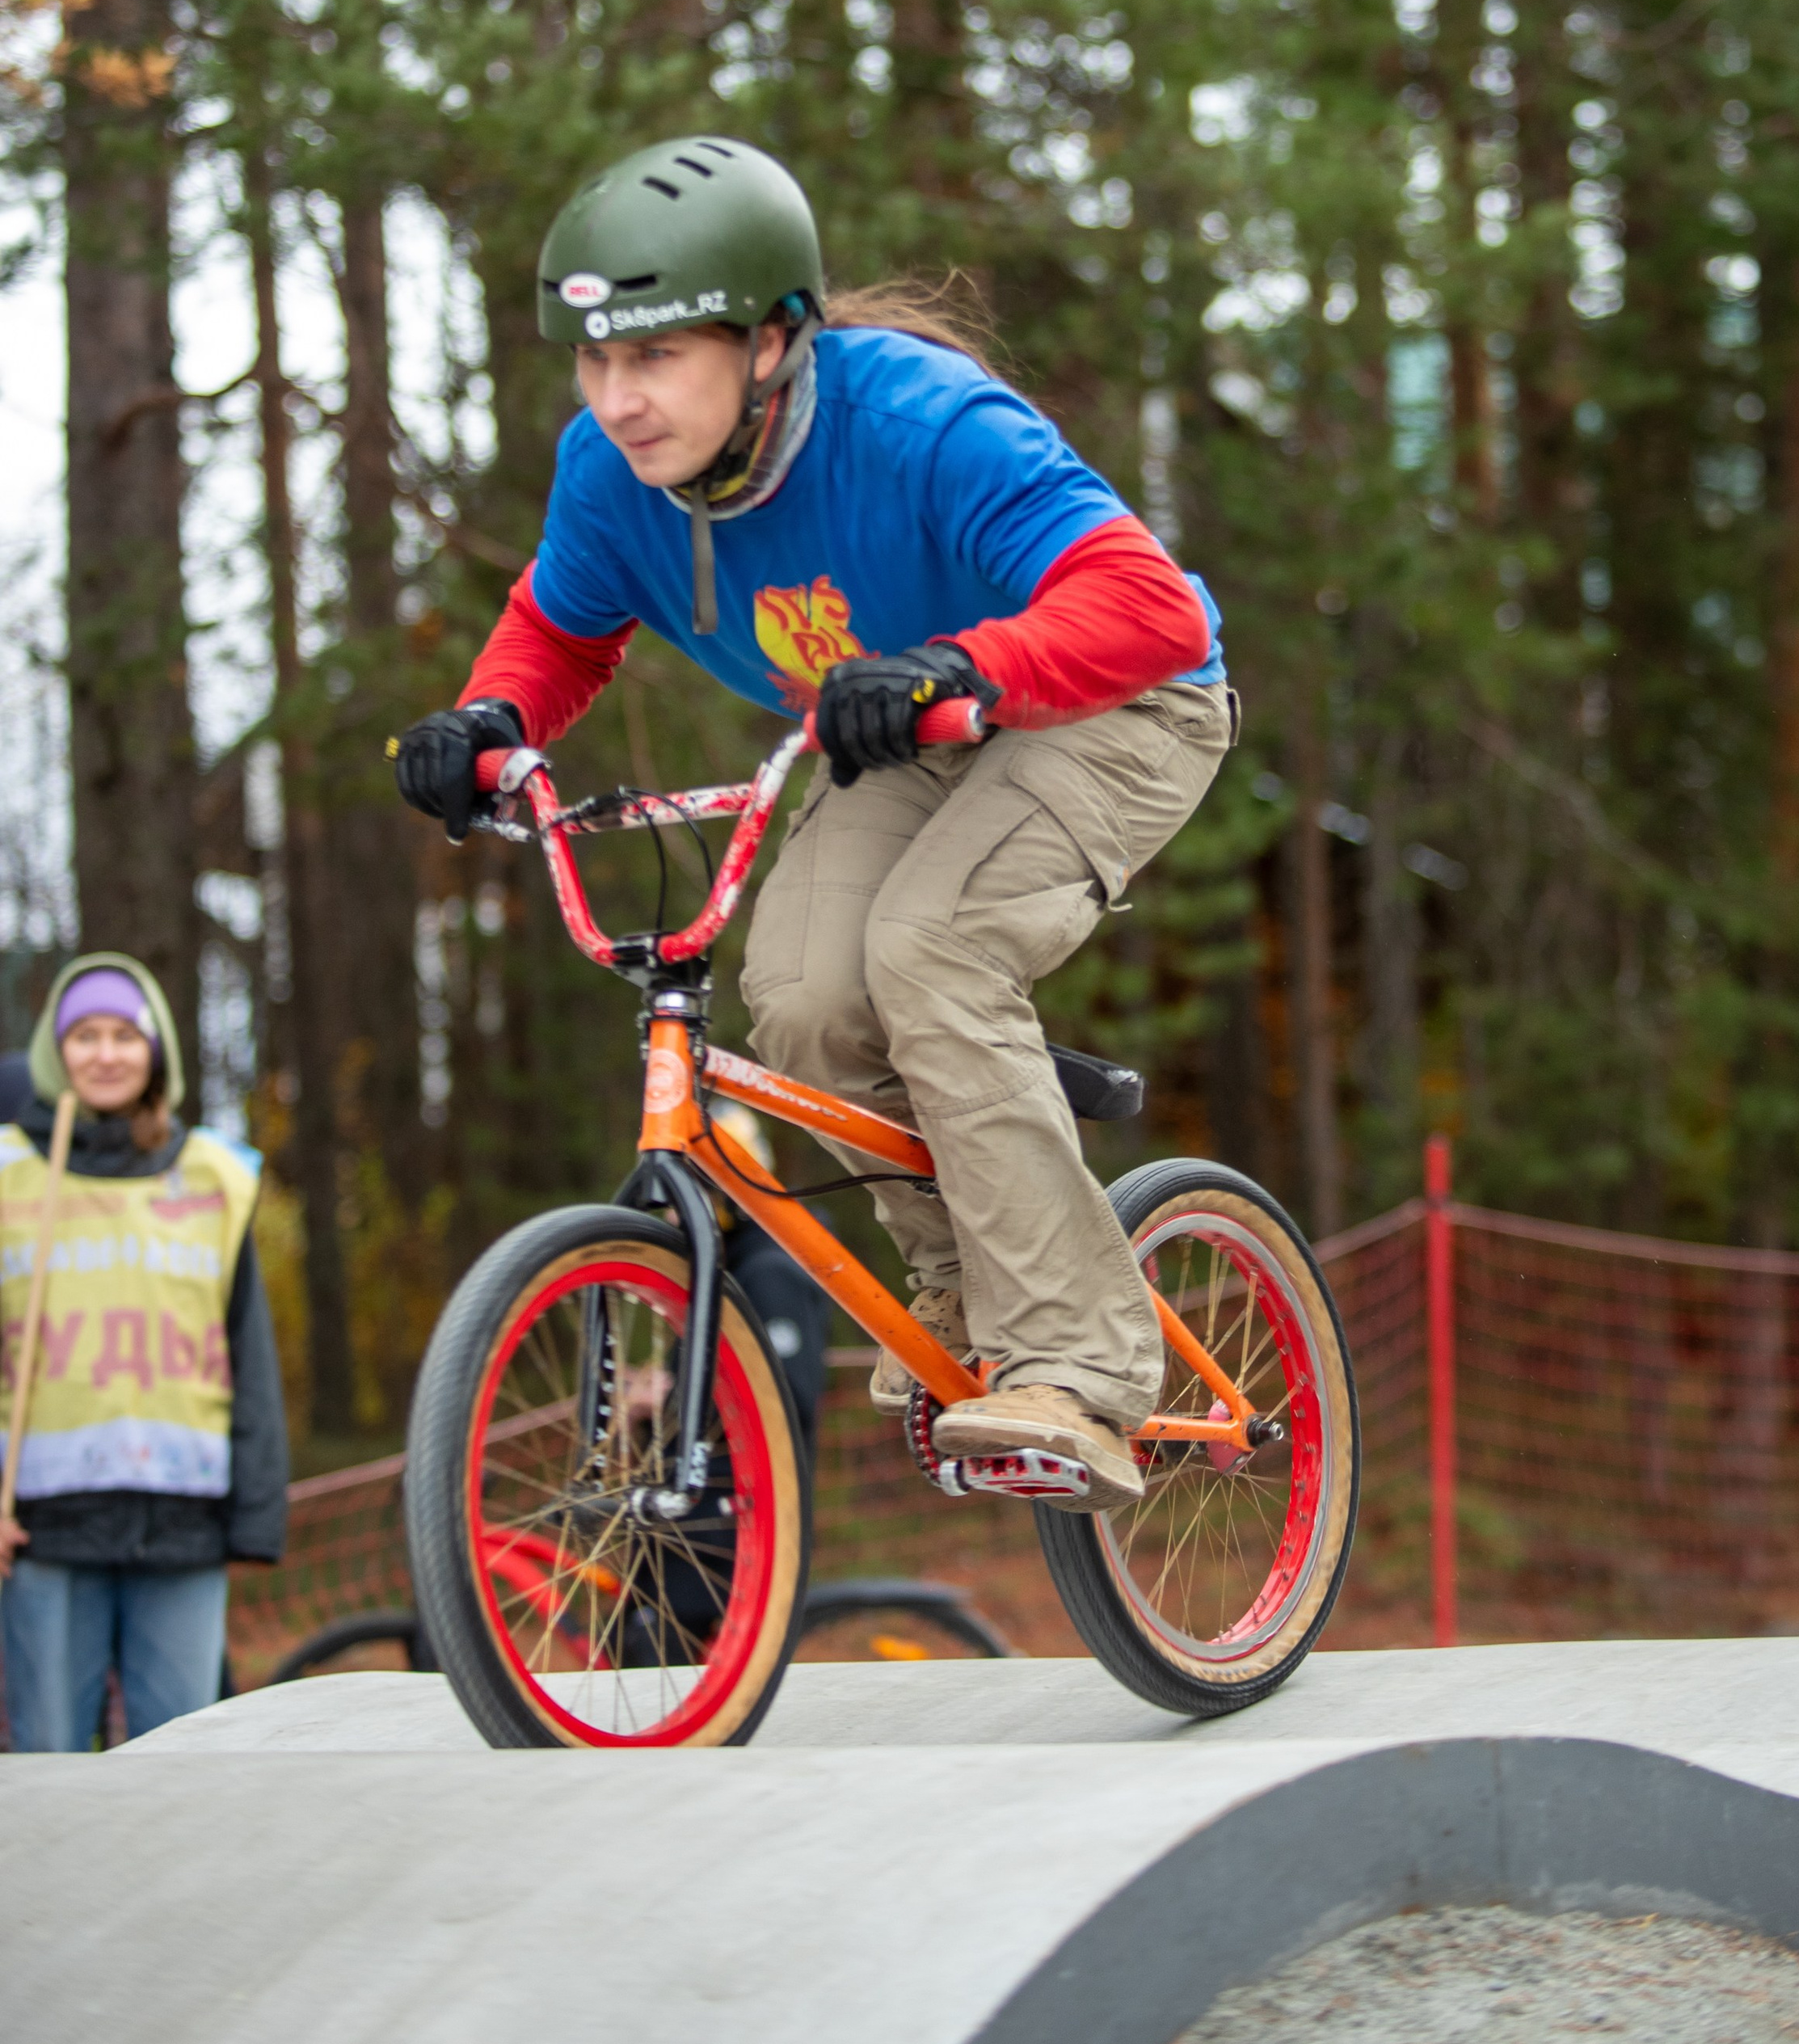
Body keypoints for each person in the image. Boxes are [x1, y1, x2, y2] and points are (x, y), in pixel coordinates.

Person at [393, 137, 1232, 1507]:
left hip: (1114, 702)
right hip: (902, 727)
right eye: (594, 363)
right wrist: (494, 723)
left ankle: (1079, 1366)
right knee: (796, 996)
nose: (619, 400)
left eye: (655, 358)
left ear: (774, 338)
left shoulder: (921, 423)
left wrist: (967, 666)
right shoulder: (613, 475)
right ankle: (970, 1304)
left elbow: (1150, 610)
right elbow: (560, 625)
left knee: (929, 954)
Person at [0, 955, 289, 1748]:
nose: (104, 1053)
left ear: (154, 1050)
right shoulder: (10, 1178)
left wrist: (255, 1514)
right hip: (44, 1530)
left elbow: (246, 1355)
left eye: (124, 1035)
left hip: (181, 1523)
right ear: (57, 1052)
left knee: (180, 1766)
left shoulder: (214, 1177)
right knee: (48, 1765)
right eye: (84, 1035)